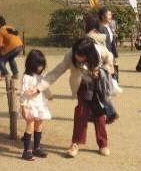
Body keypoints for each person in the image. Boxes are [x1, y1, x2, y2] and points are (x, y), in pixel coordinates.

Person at [30, 15, 115, 158]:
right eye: (76, 54)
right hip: (81, 85)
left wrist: (102, 71)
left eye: (81, 56)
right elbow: (55, 72)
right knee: (81, 112)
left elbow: (110, 58)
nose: (77, 58)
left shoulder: (99, 50)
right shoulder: (70, 55)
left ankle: (103, 144)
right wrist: (39, 87)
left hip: (97, 86)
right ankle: (75, 143)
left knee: (99, 114)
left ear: (88, 54)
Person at [19, 49, 52, 160]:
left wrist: (48, 95)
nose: (41, 67)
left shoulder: (40, 76)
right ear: (32, 64)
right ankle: (27, 151)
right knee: (30, 125)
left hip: (40, 104)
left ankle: (36, 148)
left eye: (42, 65)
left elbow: (44, 87)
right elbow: (23, 93)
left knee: (39, 125)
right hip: (30, 105)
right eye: (39, 65)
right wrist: (23, 106)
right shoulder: (26, 77)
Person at [98, 7, 119, 81]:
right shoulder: (99, 28)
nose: (111, 16)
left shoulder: (108, 26)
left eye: (111, 15)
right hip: (104, 56)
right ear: (102, 16)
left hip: (110, 54)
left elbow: (111, 41)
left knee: (112, 75)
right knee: (105, 75)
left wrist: (114, 55)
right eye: (109, 15)